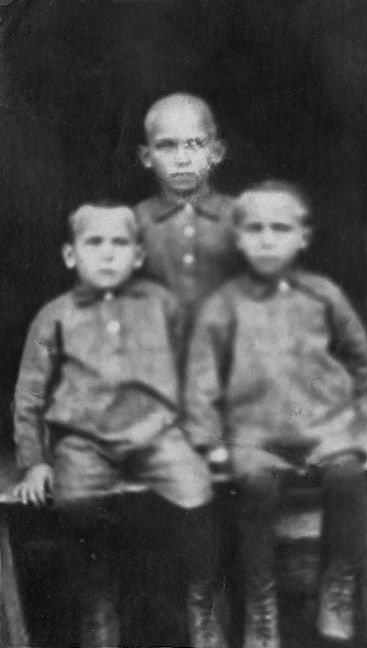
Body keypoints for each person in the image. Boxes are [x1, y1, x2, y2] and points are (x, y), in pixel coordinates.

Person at [13, 202, 227, 648]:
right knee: (75, 503)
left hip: (156, 432)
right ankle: (98, 607)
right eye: (94, 243)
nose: (108, 254)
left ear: (138, 255)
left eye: (119, 243)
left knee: (197, 494)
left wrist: (204, 433)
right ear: (70, 255)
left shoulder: (160, 304)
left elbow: (196, 370)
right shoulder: (55, 315)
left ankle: (201, 603)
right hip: (84, 440)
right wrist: (34, 462)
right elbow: (30, 393)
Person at [185, 180, 367, 647]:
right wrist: (208, 442)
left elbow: (358, 354)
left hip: (318, 426)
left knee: (347, 475)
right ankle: (261, 605)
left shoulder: (322, 294)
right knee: (254, 486)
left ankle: (337, 585)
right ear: (239, 238)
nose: (268, 239)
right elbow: (201, 379)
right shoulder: (223, 305)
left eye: (281, 228)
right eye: (256, 229)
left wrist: (336, 400)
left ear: (302, 237)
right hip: (254, 432)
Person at [135, 92, 244, 367]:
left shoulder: (241, 216)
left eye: (194, 144)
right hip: (154, 358)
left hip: (229, 356)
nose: (181, 159)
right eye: (167, 146)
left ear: (216, 153)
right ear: (147, 156)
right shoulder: (135, 220)